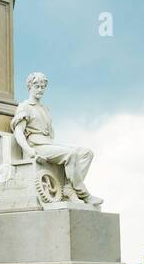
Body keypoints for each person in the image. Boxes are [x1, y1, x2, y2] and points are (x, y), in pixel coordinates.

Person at [11, 72, 102, 206]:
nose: (40, 90)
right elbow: (18, 132)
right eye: (37, 86)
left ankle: (69, 188)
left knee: (86, 153)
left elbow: (51, 135)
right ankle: (83, 193)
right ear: (29, 86)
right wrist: (29, 150)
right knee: (70, 154)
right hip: (37, 146)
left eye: (43, 87)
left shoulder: (45, 109)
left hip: (48, 144)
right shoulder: (24, 106)